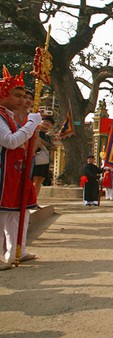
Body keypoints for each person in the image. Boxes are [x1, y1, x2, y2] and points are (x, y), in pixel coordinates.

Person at [0, 67, 41, 270]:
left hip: (14, 173)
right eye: (15, 95)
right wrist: (30, 125)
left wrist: (31, 128)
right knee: (2, 215)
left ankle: (17, 250)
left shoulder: (8, 117)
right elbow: (10, 141)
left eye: (23, 96)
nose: (21, 99)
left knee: (15, 213)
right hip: (3, 174)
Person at [32, 116, 54, 197]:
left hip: (44, 160)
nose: (47, 124)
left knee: (40, 180)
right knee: (33, 179)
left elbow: (51, 147)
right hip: (35, 158)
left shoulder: (48, 137)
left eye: (50, 123)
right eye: (46, 121)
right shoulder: (34, 132)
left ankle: (34, 199)